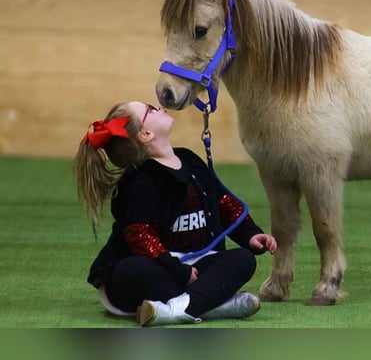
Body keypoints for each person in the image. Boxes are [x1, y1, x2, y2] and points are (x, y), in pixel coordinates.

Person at [74, 101, 277, 326]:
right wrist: (177, 270)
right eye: (151, 109)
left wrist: (250, 234)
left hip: (193, 266)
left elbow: (222, 202)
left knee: (243, 260)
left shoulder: (190, 160)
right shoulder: (143, 180)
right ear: (146, 134)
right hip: (158, 266)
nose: (160, 107)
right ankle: (208, 303)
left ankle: (178, 309)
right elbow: (139, 234)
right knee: (134, 270)